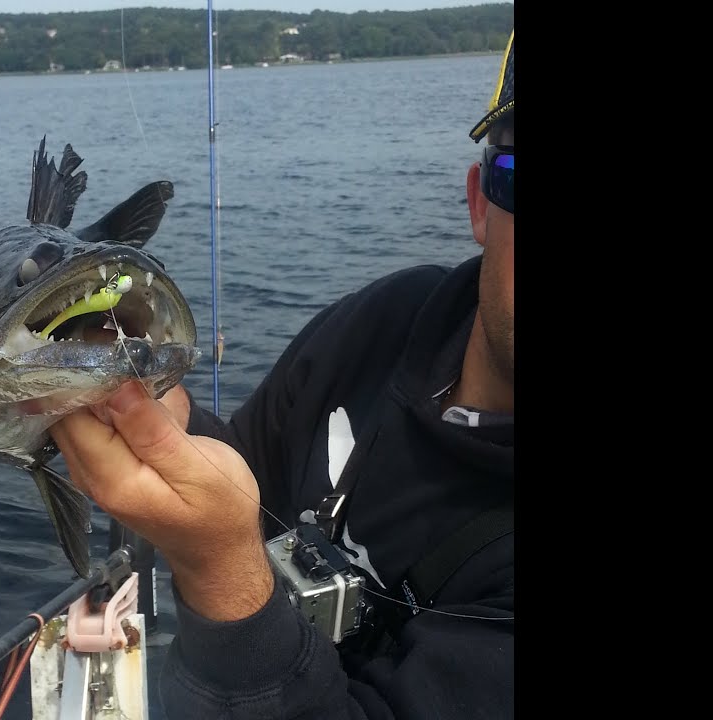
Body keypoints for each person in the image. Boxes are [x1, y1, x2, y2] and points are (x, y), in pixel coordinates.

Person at [49, 30, 515, 720]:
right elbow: (246, 478)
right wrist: (165, 421)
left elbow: (229, 540)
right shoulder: (394, 319)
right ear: (480, 202)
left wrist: (220, 572)